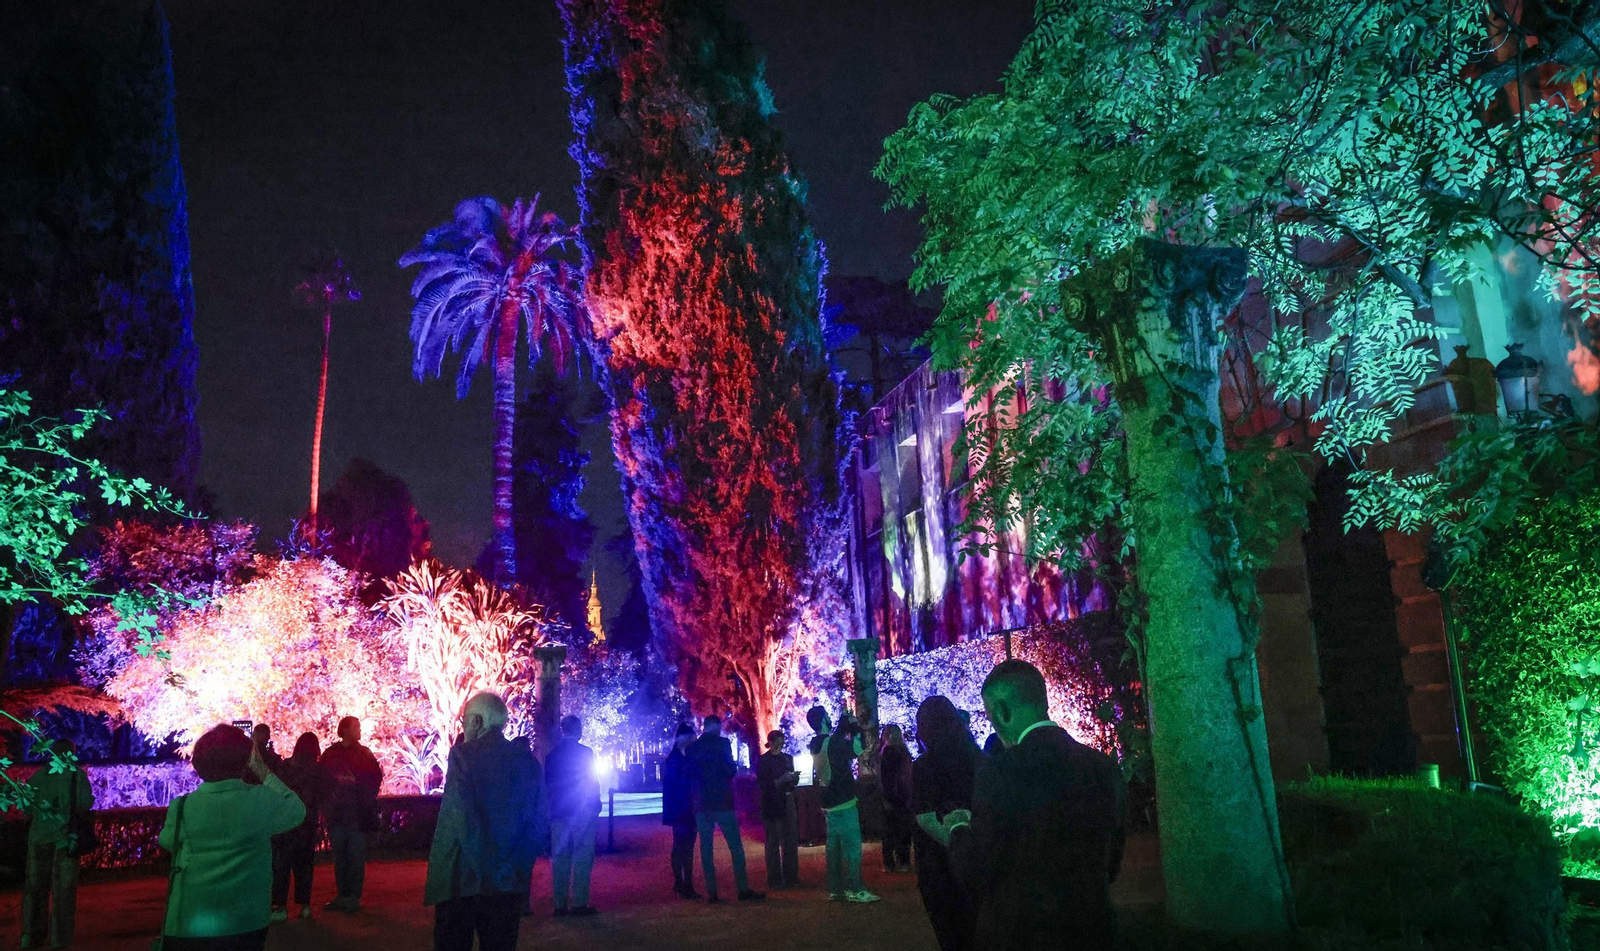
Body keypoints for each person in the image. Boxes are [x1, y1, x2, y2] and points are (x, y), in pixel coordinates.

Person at [937, 660, 1127, 951]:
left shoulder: (999, 773)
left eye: (990, 716)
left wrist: (958, 828)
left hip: (1022, 933)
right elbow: (1112, 863)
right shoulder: (1103, 766)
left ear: (1002, 712)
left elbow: (978, 869)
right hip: (1093, 929)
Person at [156, 724, 307, 949]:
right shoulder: (261, 800)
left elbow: (167, 841)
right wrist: (263, 771)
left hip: (190, 917)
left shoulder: (182, 807)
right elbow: (296, 810)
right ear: (244, 762)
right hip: (246, 919)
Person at [425, 692, 547, 951]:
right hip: (509, 880)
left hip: (462, 881)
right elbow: (538, 822)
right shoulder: (528, 762)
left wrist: (488, 870)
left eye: (464, 720)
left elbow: (464, 821)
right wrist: (513, 867)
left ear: (477, 721)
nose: (463, 726)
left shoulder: (463, 756)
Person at [910, 696, 980, 951]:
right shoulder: (978, 757)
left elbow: (925, 818)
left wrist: (955, 842)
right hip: (979, 857)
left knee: (952, 935)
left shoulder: (925, 765)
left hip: (938, 863)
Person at [22, 739, 93, 949]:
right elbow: (85, 804)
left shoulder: (38, 777)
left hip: (39, 837)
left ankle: (31, 935)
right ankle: (59, 939)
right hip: (66, 839)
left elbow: (27, 808)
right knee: (64, 892)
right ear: (71, 753)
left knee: (35, 888)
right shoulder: (76, 776)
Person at [685, 715, 763, 903]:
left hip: (702, 803)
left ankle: (712, 892)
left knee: (706, 848)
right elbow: (730, 770)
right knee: (735, 846)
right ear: (717, 727)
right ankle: (742, 889)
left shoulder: (692, 748)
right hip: (722, 801)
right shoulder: (722, 744)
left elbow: (689, 775)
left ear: (704, 727)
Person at [806, 706, 878, 903]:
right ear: (823, 720)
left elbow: (834, 741)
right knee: (852, 847)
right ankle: (855, 888)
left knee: (834, 849)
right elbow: (858, 747)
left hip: (828, 802)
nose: (830, 719)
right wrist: (853, 726)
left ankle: (836, 889)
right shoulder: (831, 743)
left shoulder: (815, 743)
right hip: (843, 801)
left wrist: (842, 725)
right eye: (827, 716)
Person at [319, 716, 383, 912]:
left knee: (355, 857)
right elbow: (322, 779)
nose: (359, 731)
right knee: (341, 858)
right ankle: (343, 895)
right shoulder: (331, 754)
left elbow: (375, 778)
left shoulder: (364, 754)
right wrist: (336, 783)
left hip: (357, 815)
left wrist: (357, 782)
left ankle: (353, 896)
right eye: (356, 727)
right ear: (345, 730)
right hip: (337, 814)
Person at [544, 715, 601, 917]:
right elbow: (591, 780)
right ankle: (579, 903)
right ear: (577, 729)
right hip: (581, 810)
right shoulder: (585, 752)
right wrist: (595, 804)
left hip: (559, 811)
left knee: (560, 857)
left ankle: (559, 904)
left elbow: (548, 784)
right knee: (582, 855)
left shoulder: (552, 755)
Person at [271, 732, 322, 922]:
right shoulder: (317, 771)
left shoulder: (285, 768)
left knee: (282, 866)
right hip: (307, 823)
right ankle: (305, 906)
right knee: (305, 866)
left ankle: (280, 907)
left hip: (286, 823)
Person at [755, 730, 800, 888]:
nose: (780, 746)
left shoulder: (787, 758)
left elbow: (792, 782)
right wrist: (781, 780)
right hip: (771, 803)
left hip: (787, 800)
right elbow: (763, 784)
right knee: (773, 841)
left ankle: (791, 876)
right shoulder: (764, 761)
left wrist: (793, 779)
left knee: (790, 840)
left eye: (782, 743)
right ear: (771, 743)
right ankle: (775, 879)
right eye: (778, 743)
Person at [660, 723, 699, 898]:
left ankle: (684, 883)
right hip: (682, 808)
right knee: (682, 846)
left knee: (685, 846)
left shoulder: (679, 758)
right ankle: (683, 883)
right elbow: (673, 785)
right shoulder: (677, 759)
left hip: (685, 808)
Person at [878, 724, 914, 874]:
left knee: (890, 831)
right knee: (903, 831)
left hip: (891, 796)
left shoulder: (885, 752)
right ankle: (903, 861)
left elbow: (884, 778)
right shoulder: (903, 752)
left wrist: (886, 797)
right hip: (904, 796)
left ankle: (889, 863)